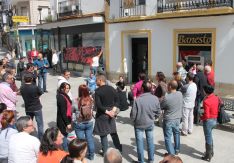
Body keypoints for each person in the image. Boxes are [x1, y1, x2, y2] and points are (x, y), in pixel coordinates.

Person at [130, 80, 161, 163]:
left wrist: (133, 121)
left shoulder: (137, 100)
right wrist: (153, 118)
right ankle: (151, 160)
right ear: (151, 88)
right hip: (150, 123)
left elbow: (133, 115)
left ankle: (141, 161)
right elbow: (158, 112)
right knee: (150, 141)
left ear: (142, 89)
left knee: (140, 143)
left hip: (139, 124)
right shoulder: (155, 99)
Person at [93, 75, 122, 155]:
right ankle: (119, 149)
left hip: (102, 115)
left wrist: (108, 112)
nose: (96, 82)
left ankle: (105, 152)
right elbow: (117, 101)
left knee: (103, 134)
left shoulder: (98, 91)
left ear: (100, 80)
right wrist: (113, 110)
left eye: (96, 80)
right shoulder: (112, 88)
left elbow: (99, 105)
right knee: (113, 132)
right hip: (111, 113)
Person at [161, 80, 183, 155]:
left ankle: (171, 154)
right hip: (177, 118)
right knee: (176, 133)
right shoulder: (180, 94)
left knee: (167, 137)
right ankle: (177, 150)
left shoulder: (167, 98)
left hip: (169, 119)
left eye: (168, 85)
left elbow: (161, 106)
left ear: (170, 86)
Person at [73, 84, 95, 160]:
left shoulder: (76, 100)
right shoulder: (91, 99)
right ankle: (91, 155)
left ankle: (81, 157)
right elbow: (93, 109)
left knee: (81, 141)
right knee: (89, 138)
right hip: (89, 122)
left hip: (79, 123)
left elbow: (73, 111)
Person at [20, 73, 44, 140]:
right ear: (31, 79)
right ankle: (41, 139)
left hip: (28, 108)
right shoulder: (34, 87)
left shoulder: (22, 87)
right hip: (37, 107)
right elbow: (40, 93)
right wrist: (36, 97)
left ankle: (30, 137)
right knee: (40, 124)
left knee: (29, 124)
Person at [200, 85, 219, 162]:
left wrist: (201, 118)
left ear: (205, 91)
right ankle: (211, 152)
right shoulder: (216, 97)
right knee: (210, 136)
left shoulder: (206, 101)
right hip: (215, 119)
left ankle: (208, 155)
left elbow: (207, 115)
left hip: (208, 121)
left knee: (208, 137)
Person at [57, 82, 72, 151]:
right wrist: (67, 123)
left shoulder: (64, 95)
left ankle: (65, 147)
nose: (68, 90)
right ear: (62, 88)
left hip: (66, 118)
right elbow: (63, 113)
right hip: (63, 121)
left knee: (66, 134)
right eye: (67, 88)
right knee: (64, 135)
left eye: (69, 88)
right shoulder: (61, 98)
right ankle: (65, 150)